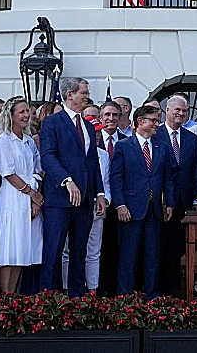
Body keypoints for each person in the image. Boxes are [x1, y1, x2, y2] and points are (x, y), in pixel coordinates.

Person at [39, 77, 106, 298]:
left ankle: (77, 299)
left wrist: (99, 193)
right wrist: (67, 180)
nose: (87, 96)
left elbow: (92, 162)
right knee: (54, 250)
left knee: (80, 251)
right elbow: (48, 157)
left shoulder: (87, 125)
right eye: (83, 92)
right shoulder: (53, 122)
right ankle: (49, 299)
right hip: (59, 199)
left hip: (85, 200)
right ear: (70, 95)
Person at [111, 104, 177, 298]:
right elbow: (116, 177)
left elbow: (169, 178)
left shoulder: (162, 147)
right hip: (130, 209)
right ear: (141, 121)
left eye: (158, 120)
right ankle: (125, 296)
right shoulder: (123, 146)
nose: (157, 124)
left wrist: (170, 203)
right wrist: (120, 205)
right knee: (128, 255)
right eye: (154, 120)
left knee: (152, 255)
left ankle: (151, 296)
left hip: (154, 209)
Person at [0, 96, 44, 293]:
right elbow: (8, 172)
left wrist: (35, 198)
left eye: (27, 111)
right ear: (11, 115)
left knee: (23, 246)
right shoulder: (3, 140)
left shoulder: (29, 141)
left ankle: (15, 293)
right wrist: (31, 193)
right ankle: (5, 295)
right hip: (13, 196)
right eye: (21, 111)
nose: (26, 115)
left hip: (30, 196)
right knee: (10, 246)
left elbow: (38, 169)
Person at [62, 116, 112, 294]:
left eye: (99, 132)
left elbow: (105, 182)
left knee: (93, 251)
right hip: (75, 205)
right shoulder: (72, 152)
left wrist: (105, 200)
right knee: (69, 251)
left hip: (96, 207)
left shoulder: (104, 155)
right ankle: (68, 288)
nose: (97, 136)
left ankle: (92, 289)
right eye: (95, 132)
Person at [156, 95, 197, 298]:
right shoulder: (156, 135)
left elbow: (195, 170)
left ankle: (173, 293)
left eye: (184, 111)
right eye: (177, 110)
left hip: (183, 202)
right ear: (167, 111)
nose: (181, 114)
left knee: (176, 249)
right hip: (160, 202)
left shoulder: (191, 138)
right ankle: (156, 290)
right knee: (158, 248)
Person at [96, 100, 126, 296]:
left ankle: (114, 292)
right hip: (97, 205)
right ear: (101, 118)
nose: (111, 119)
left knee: (115, 250)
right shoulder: (92, 140)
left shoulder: (126, 141)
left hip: (119, 206)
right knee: (95, 250)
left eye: (114, 115)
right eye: (107, 115)